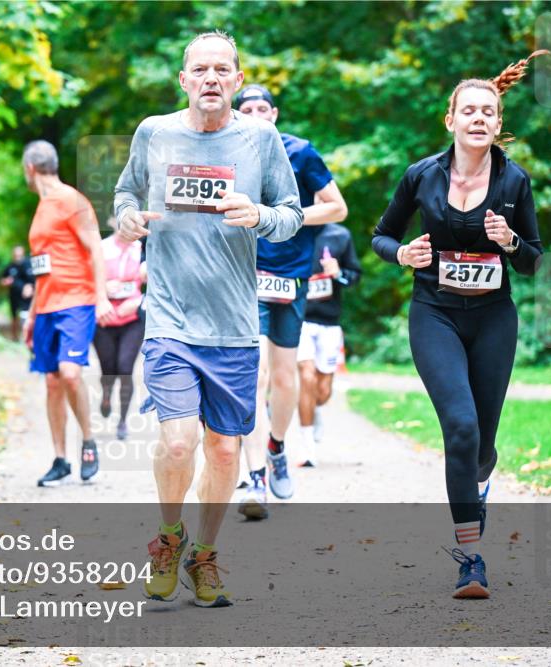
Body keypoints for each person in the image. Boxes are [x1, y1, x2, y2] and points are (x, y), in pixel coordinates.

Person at [114, 31, 302, 607]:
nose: (211, 78)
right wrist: (127, 219)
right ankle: (169, 538)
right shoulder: (154, 131)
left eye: (223, 69)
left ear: (238, 81)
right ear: (184, 80)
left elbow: (292, 215)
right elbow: (125, 194)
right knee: (179, 442)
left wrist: (260, 215)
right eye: (200, 69)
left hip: (235, 326)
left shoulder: (261, 139)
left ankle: (205, 554)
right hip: (169, 318)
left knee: (223, 450)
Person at [372, 51, 547, 599]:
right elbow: (381, 236)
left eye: (487, 112)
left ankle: (480, 482)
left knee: (483, 446)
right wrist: (403, 255)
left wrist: (509, 241)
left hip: (494, 319)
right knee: (461, 427)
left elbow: (534, 260)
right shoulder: (422, 175)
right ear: (450, 120)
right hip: (435, 314)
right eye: (468, 110)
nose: (478, 118)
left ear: (498, 123)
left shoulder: (514, 182)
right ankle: (470, 557)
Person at [233, 83, 349, 518]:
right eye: (247, 109)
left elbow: (337, 208)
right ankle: (255, 477)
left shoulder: (300, 152)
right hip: (245, 275)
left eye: (262, 109)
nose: (256, 116)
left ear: (275, 114)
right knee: (256, 373)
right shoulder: (226, 153)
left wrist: (287, 217)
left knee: (284, 378)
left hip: (290, 277)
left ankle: (277, 447)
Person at [22, 140, 116, 487]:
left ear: (30, 169)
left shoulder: (72, 200)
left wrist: (101, 297)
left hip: (77, 301)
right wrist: (32, 315)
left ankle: (88, 442)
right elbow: (41, 269)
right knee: (52, 381)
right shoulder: (42, 207)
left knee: (70, 373)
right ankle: (60, 459)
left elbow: (95, 249)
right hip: (46, 306)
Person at [296, 223, 361, 466]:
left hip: (329, 322)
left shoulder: (339, 235)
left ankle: (314, 410)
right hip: (300, 320)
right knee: (307, 375)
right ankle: (307, 448)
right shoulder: (291, 229)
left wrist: (338, 273)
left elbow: (354, 276)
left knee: (323, 392)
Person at [93, 217, 146, 441]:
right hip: (104, 320)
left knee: (125, 369)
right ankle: (106, 393)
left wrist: (139, 301)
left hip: (132, 319)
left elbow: (160, 283)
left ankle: (123, 421)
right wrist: (102, 290)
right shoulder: (101, 248)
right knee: (109, 369)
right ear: (112, 222)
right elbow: (85, 280)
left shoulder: (142, 248)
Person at [1, 245, 35, 341]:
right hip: (13, 295)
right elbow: (2, 280)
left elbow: (35, 280)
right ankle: (14, 337)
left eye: (19, 255)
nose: (17, 257)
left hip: (26, 298)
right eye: (16, 255)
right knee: (14, 316)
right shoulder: (10, 266)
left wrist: (30, 287)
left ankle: (27, 338)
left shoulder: (28, 264)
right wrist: (5, 282)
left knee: (26, 316)